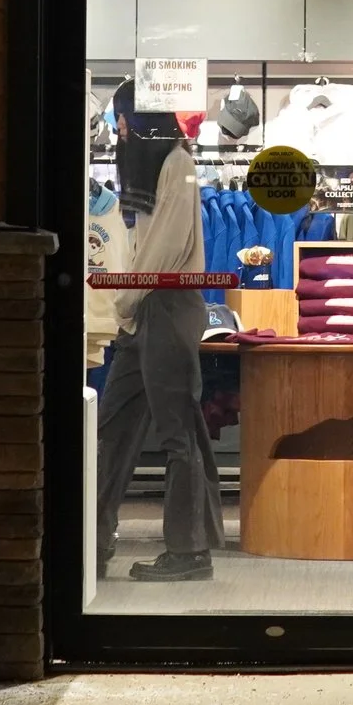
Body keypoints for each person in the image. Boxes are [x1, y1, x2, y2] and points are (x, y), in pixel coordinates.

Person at [94, 141, 224, 581]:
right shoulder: (146, 172)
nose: (120, 132)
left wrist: (126, 298)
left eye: (126, 121)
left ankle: (190, 552)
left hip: (165, 301)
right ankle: (94, 536)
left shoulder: (177, 163)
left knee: (178, 430)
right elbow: (141, 244)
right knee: (112, 425)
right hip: (145, 306)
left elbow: (167, 246)